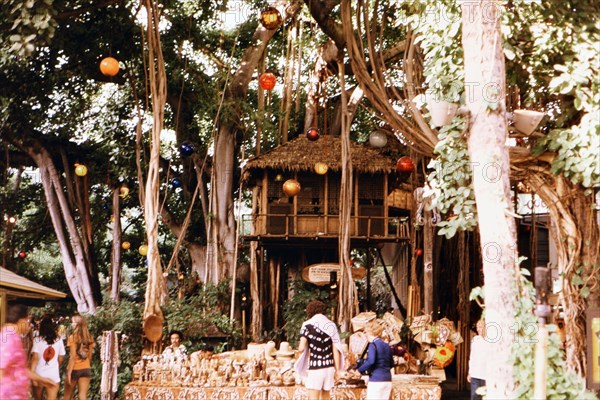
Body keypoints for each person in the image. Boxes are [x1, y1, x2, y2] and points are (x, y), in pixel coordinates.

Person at [0, 304, 58, 400]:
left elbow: (21, 369)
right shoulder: (8, 338)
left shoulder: (13, 336)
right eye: (28, 320)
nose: (29, 325)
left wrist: (43, 380)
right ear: (22, 320)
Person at [294, 300, 345, 400]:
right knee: (326, 397)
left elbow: (301, 347)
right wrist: (338, 370)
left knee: (314, 398)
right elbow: (336, 350)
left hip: (315, 368)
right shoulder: (331, 325)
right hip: (329, 368)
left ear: (310, 311)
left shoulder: (307, 325)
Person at [355, 320, 394, 400]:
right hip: (387, 380)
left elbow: (371, 361)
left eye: (365, 332)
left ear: (369, 332)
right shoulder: (387, 346)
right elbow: (391, 364)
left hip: (376, 380)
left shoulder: (373, 345)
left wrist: (359, 370)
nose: (365, 335)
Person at [30, 316, 65, 400]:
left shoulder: (37, 340)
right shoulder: (59, 340)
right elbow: (60, 358)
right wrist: (54, 365)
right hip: (53, 375)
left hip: (39, 375)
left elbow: (35, 358)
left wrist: (32, 375)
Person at [63, 314, 95, 400]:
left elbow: (72, 357)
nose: (71, 324)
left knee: (67, 396)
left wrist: (69, 372)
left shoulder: (73, 338)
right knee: (83, 395)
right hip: (86, 368)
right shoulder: (90, 338)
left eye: (73, 322)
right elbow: (90, 356)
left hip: (74, 369)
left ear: (77, 324)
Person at [467, 319, 487, 400]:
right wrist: (470, 372)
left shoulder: (491, 341)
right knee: (474, 396)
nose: (478, 329)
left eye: (480, 327)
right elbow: (472, 357)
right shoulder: (475, 340)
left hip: (486, 375)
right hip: (475, 374)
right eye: (477, 327)